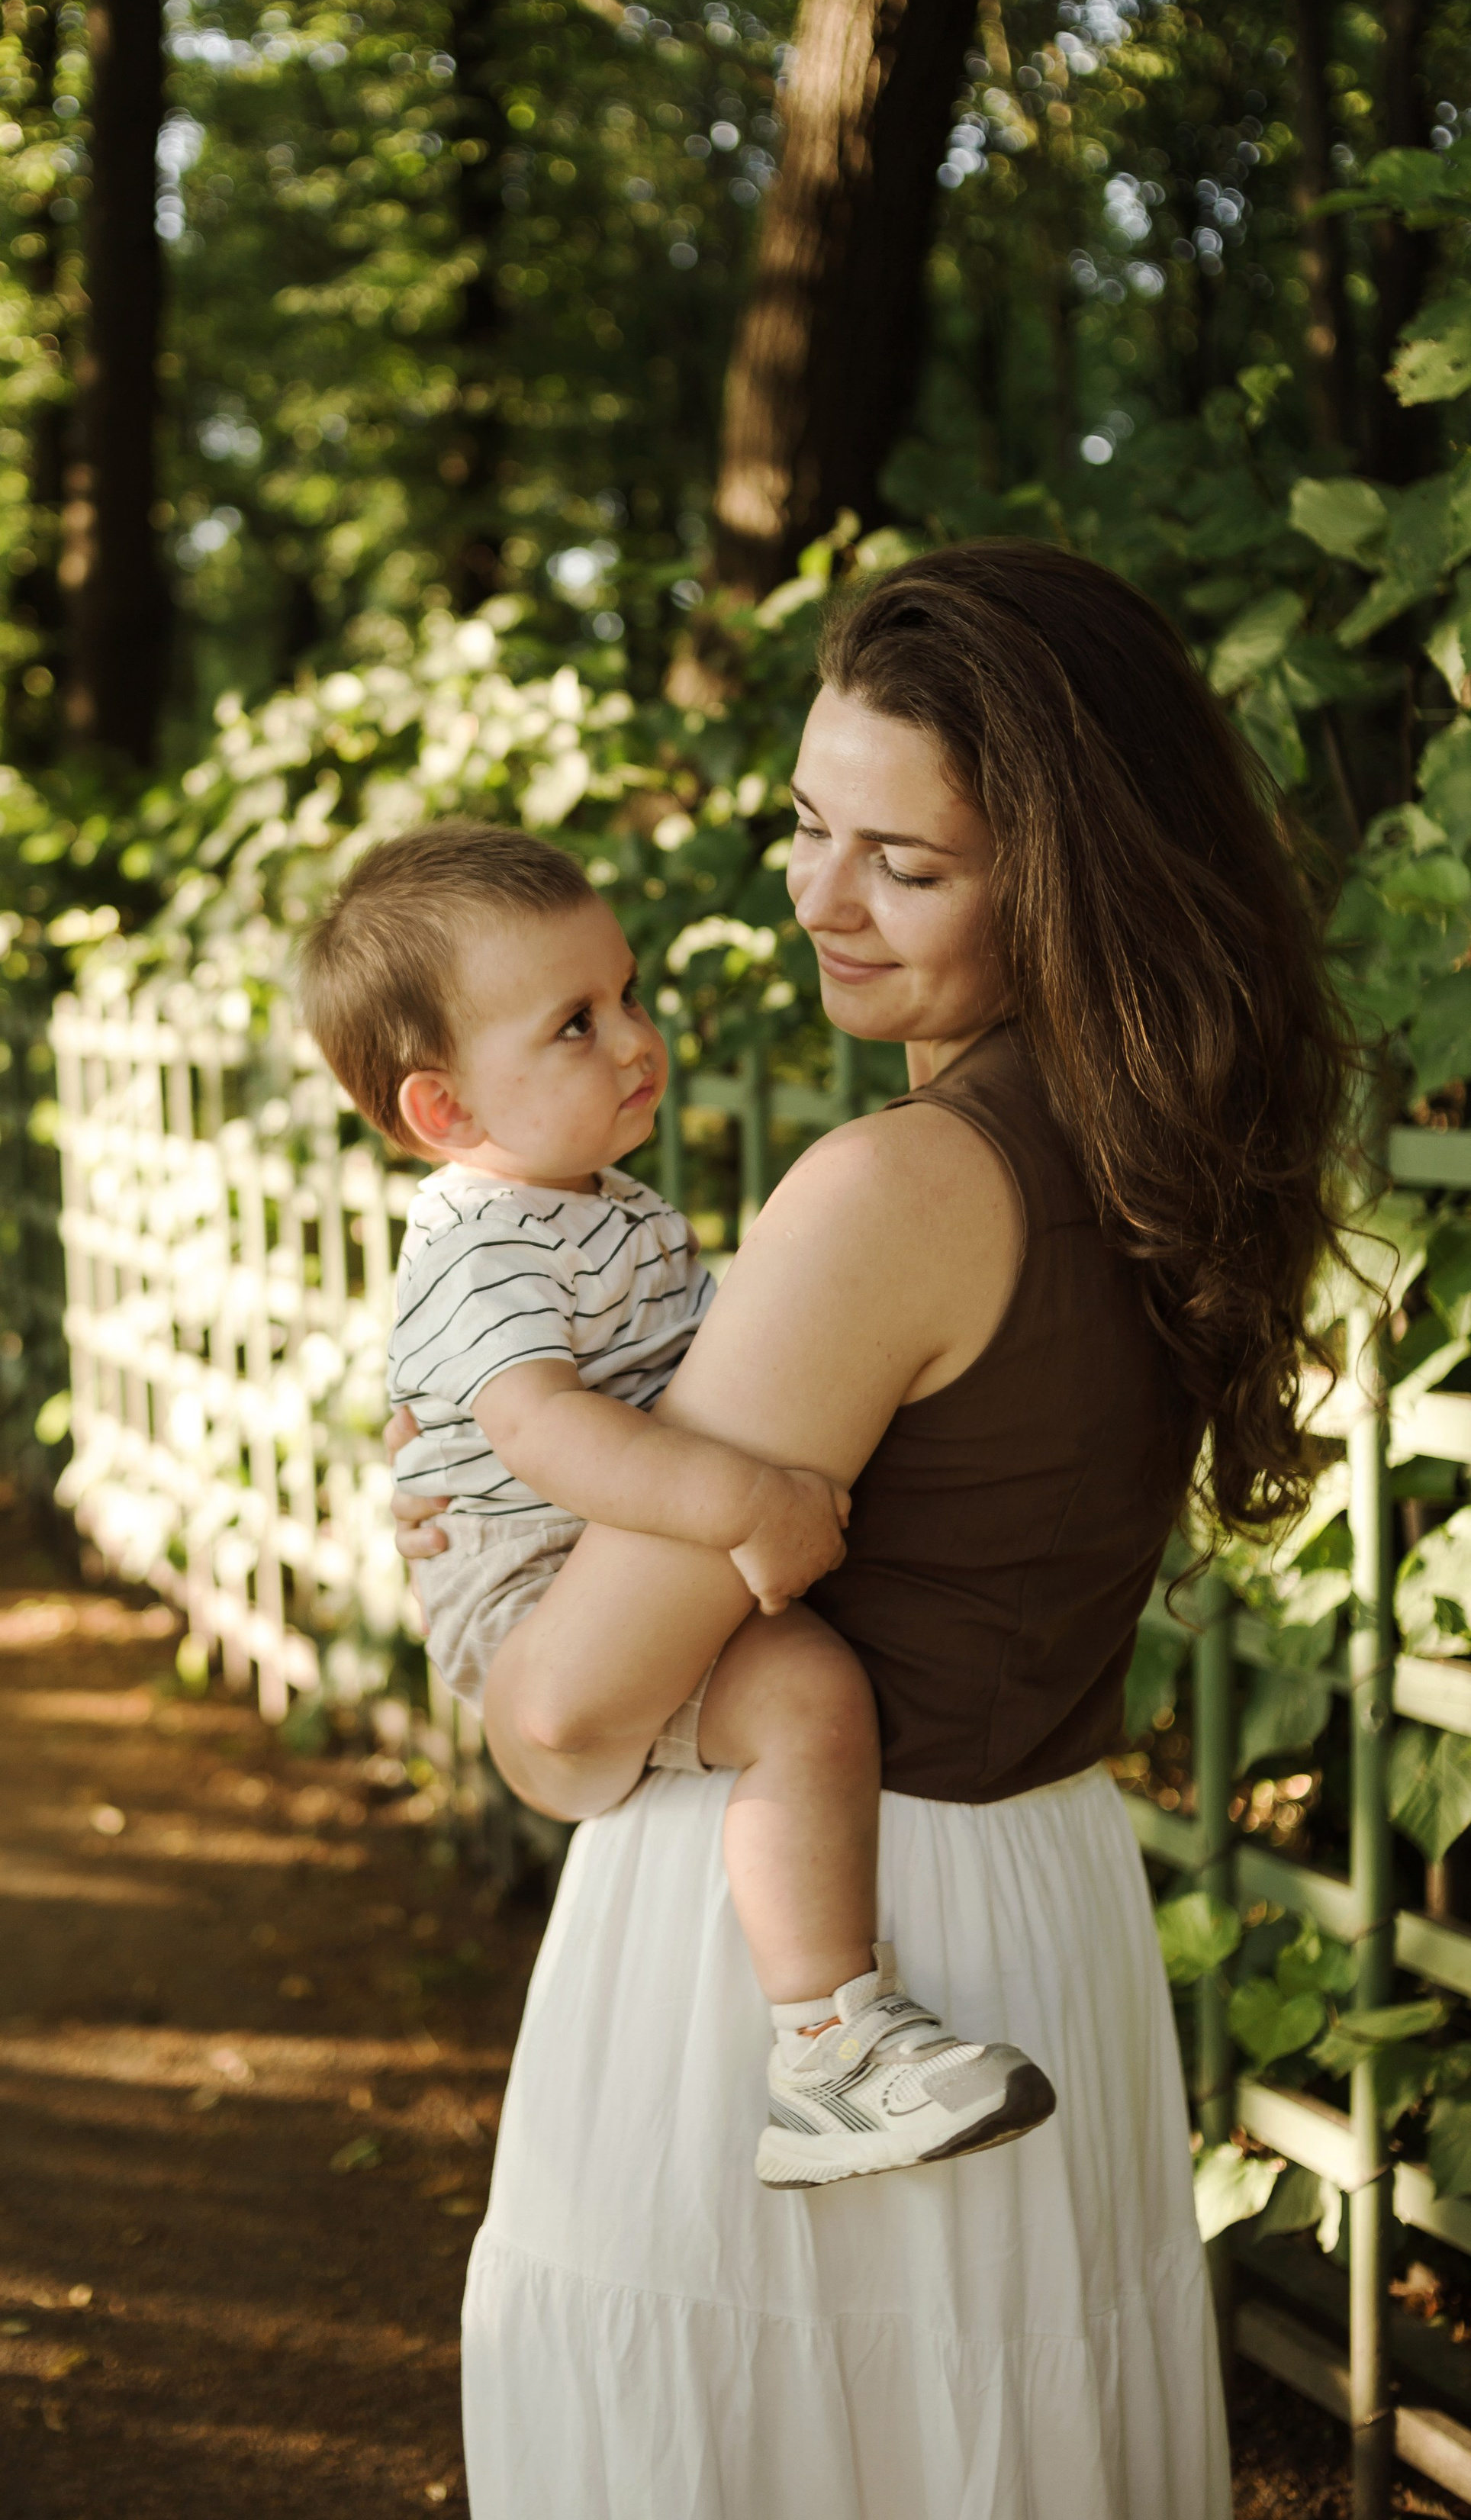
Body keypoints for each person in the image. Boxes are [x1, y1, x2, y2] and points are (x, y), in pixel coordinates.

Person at [395, 544, 1347, 2520]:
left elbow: (567, 1727)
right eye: (809, 826)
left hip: (801, 1949)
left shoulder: (894, 1187)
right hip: (1045, 1907)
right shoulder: (1153, 1141)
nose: (819, 897)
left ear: (1066, 877)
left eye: (904, 863)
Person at [298, 823, 1054, 2183]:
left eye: (629, 994)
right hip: (532, 1589)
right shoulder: (483, 1244)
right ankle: (831, 2049)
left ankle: (834, 2042)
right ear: (443, 1112)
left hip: (589, 1554)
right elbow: (541, 1427)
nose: (637, 1038)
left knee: (808, 1698)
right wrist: (743, 1502)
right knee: (808, 1702)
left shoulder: (598, 1210)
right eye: (576, 1025)